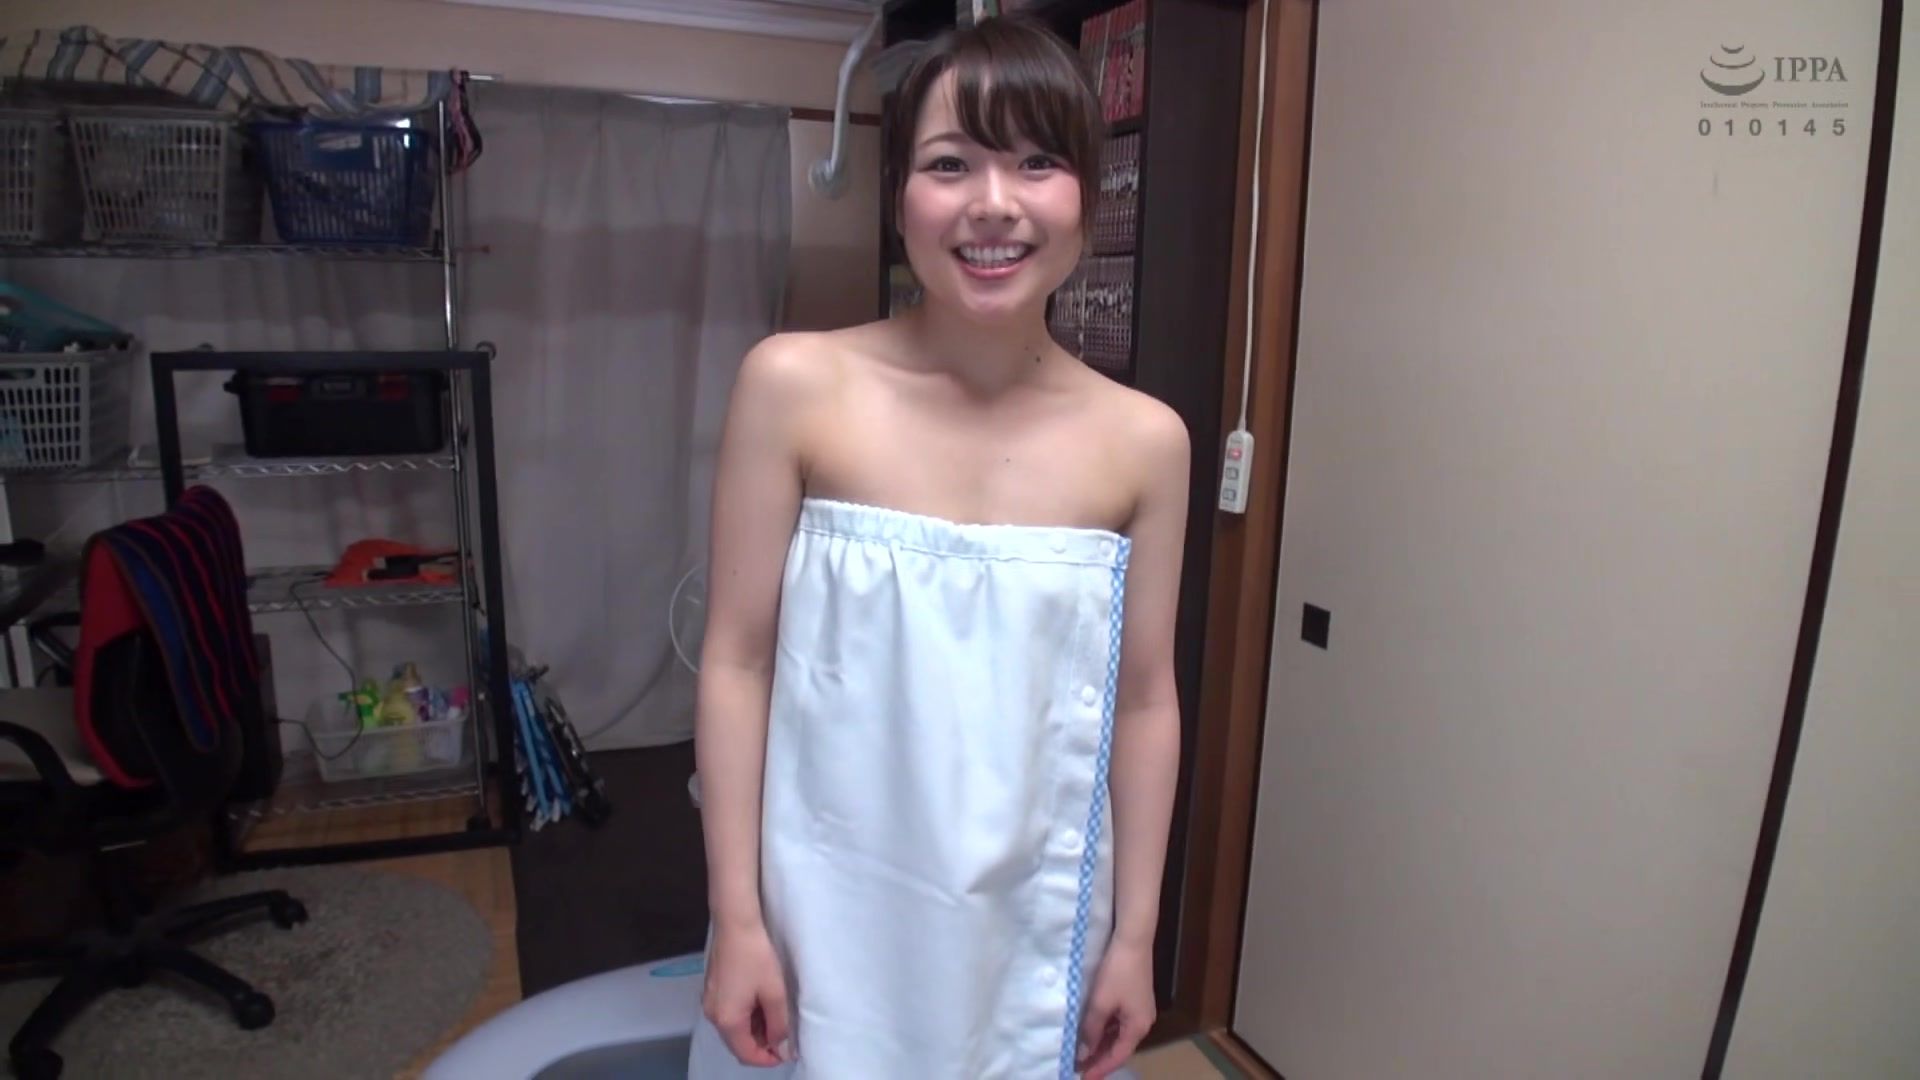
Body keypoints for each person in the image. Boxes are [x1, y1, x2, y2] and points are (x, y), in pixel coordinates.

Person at [688, 15, 1188, 1080]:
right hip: (823, 905)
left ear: (1087, 197)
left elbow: (1146, 701)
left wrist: (1136, 939)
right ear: (900, 196)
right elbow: (736, 660)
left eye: (1038, 162)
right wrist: (737, 917)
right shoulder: (795, 385)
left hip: (1038, 925)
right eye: (951, 163)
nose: (994, 204)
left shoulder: (1145, 442)